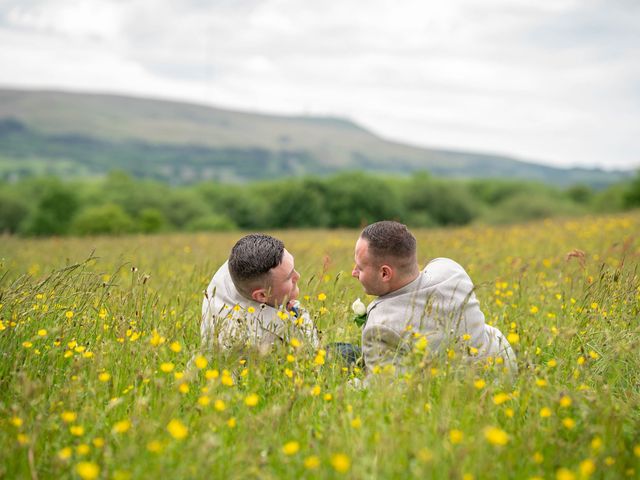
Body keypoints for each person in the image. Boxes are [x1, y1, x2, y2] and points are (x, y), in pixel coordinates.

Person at [351, 221, 516, 374]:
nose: (354, 273)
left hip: (458, 392)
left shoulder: (380, 325)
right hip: (502, 366)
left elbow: (384, 389)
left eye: (360, 268)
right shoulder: (450, 269)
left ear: (385, 273)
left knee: (344, 356)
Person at [201, 233, 318, 350]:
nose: (298, 276)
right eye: (288, 278)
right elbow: (310, 349)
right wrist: (296, 314)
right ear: (262, 295)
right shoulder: (244, 338)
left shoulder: (245, 261)